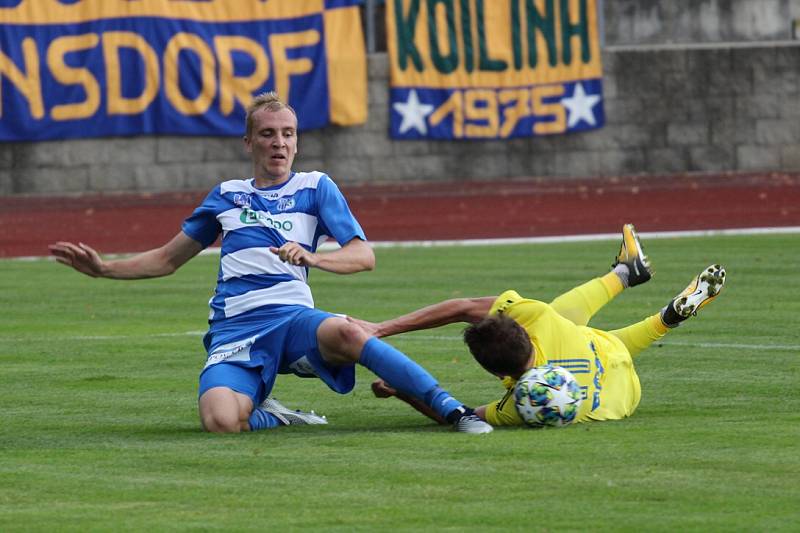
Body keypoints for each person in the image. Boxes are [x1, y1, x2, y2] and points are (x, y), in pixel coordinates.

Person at [49, 91, 492, 434]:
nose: (279, 142)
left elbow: (363, 255)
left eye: (288, 133)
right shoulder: (226, 195)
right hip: (236, 328)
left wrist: (313, 258)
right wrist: (103, 268)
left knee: (347, 330)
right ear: (249, 143)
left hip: (292, 316)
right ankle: (279, 416)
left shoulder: (316, 187)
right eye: (268, 134)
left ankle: (452, 410)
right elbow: (167, 259)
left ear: (296, 142)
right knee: (220, 421)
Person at [355, 224, 727, 427]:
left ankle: (645, 295)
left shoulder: (520, 405)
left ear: (495, 371)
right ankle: (634, 284)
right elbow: (463, 307)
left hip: (622, 400)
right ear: (520, 329)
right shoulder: (539, 318)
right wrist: (382, 328)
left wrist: (401, 391)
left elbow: (460, 414)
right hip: (603, 357)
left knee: (597, 336)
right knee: (570, 321)